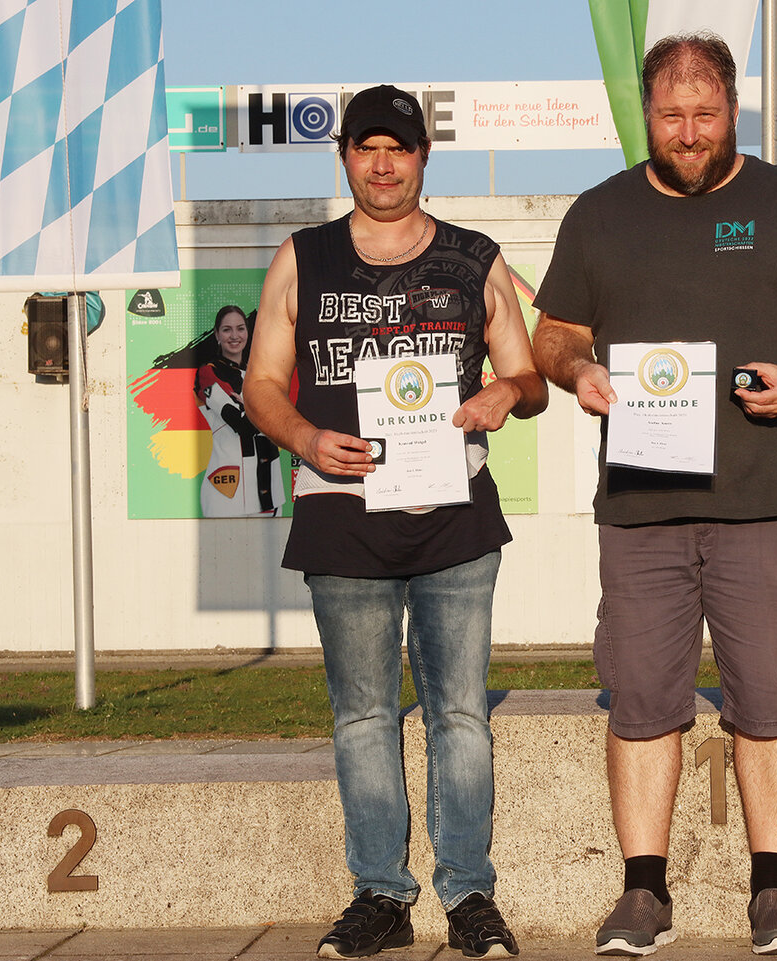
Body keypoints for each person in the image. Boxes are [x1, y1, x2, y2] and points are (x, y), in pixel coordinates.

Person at [532, 32, 777, 958]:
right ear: (647, 113)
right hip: (641, 507)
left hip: (763, 499)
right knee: (642, 699)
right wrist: (577, 370)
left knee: (768, 696)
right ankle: (644, 891)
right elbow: (553, 331)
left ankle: (775, 890)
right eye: (672, 116)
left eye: (706, 115)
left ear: (733, 110)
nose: (689, 133)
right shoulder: (599, 215)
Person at [243, 84, 547, 961]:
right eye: (366, 148)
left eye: (398, 148)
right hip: (341, 516)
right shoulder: (303, 257)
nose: (382, 165)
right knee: (363, 717)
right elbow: (261, 383)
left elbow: (530, 378)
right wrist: (305, 437)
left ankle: (468, 891)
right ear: (344, 155)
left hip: (454, 515)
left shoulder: (474, 257)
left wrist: (504, 393)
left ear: (422, 157)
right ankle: (381, 892)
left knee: (461, 714)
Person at [196, 305, 284, 517]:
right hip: (228, 490)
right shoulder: (209, 372)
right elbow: (242, 424)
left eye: (240, 328)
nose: (234, 336)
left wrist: (248, 404)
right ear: (217, 334)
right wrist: (264, 407)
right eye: (227, 329)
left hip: (270, 490)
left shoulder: (260, 372)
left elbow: (281, 419)